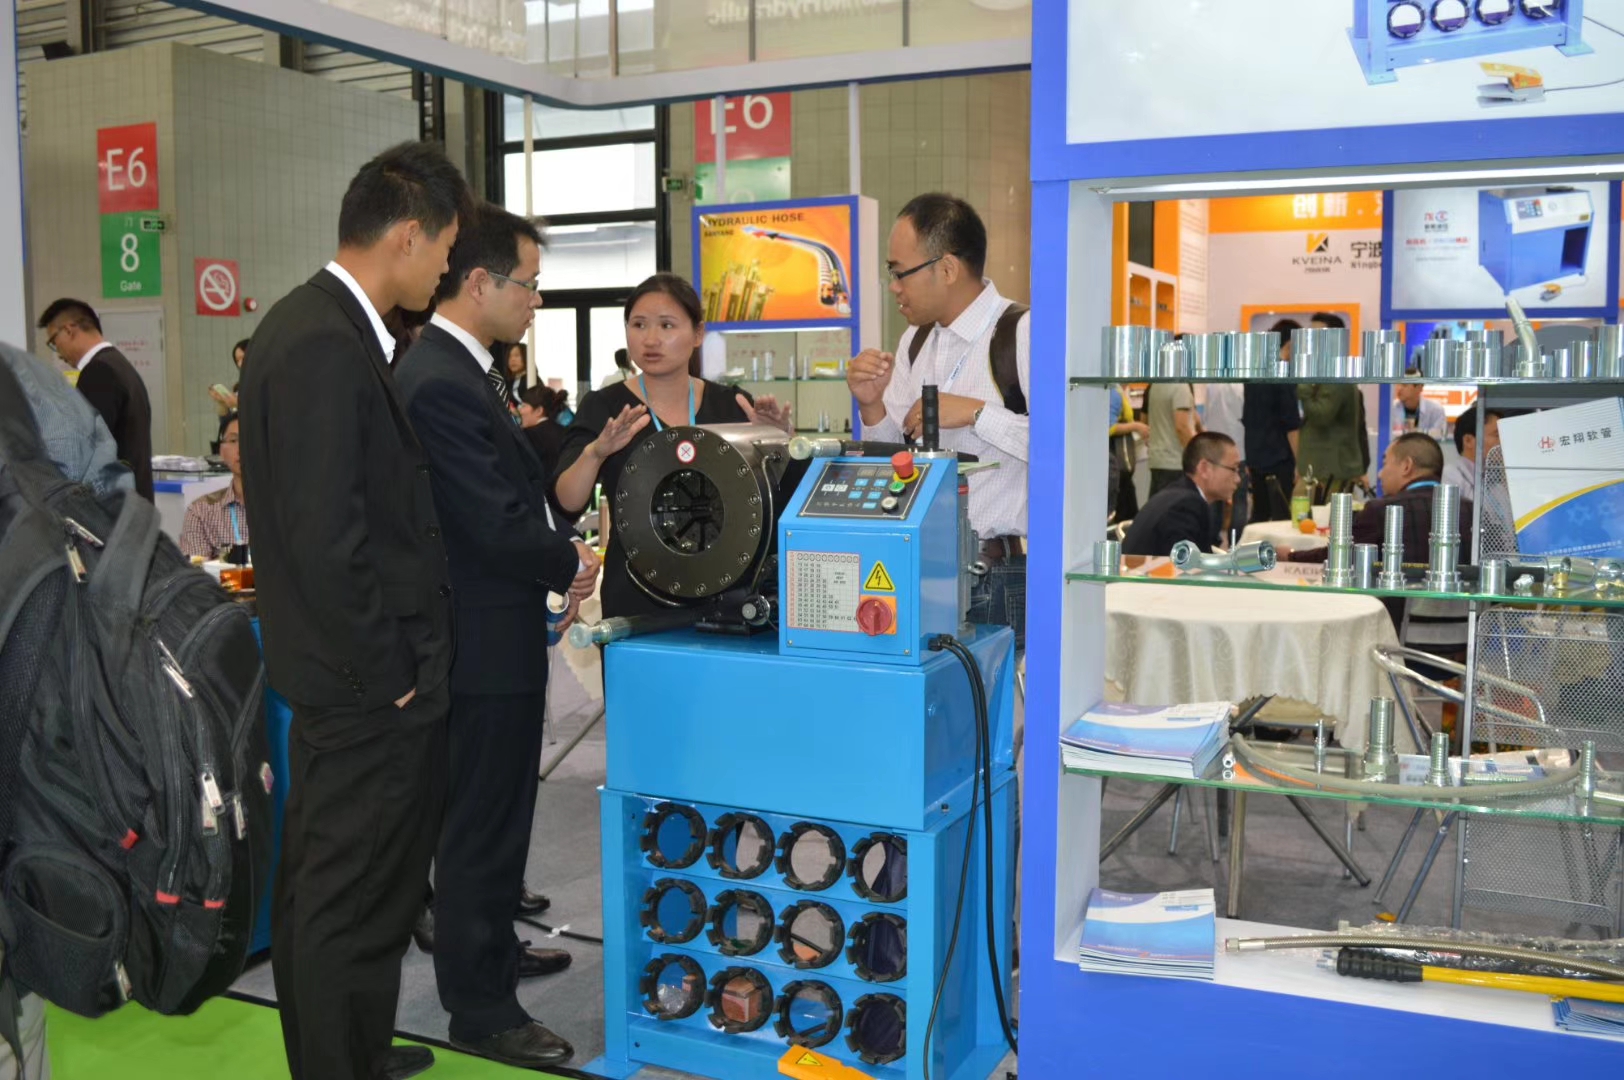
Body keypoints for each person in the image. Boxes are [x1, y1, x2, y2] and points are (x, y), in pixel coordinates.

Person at [237, 140, 473, 1080]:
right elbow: (327, 538)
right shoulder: (322, 343)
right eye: (445, 248)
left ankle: (356, 1052)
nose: (446, 268)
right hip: (363, 685)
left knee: (358, 887)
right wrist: (391, 677)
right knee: (343, 897)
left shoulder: (323, 329)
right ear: (407, 235)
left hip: (353, 677)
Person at [394, 204, 597, 1071]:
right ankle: (481, 1009)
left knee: (501, 821)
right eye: (530, 284)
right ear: (479, 283)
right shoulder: (439, 378)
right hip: (477, 644)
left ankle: (491, 952)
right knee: (479, 830)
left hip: (496, 634)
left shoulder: (463, 370)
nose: (536, 301)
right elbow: (487, 519)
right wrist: (567, 559)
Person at [843, 193, 1031, 646]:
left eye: (899, 272)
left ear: (946, 269)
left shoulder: (1023, 333)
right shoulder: (915, 341)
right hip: (920, 566)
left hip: (994, 575)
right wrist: (871, 405)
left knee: (993, 693)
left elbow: (1064, 447)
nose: (893, 287)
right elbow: (895, 457)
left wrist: (976, 413)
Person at [555, 273, 791, 618]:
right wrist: (596, 453)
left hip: (729, 596)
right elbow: (567, 501)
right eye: (639, 325)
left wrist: (779, 443)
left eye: (667, 325)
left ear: (698, 333)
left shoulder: (732, 405)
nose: (651, 339)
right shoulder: (605, 407)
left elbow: (774, 503)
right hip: (636, 597)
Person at [1290, 432, 1472, 663]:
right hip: (1462, 654)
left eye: (1385, 462)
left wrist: (1290, 556)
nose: (1379, 473)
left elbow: (1337, 559)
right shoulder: (1472, 512)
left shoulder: (1381, 511)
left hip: (1388, 649)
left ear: (1406, 466)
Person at [36, 298, 154, 501]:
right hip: (133, 503)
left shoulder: (98, 372)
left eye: (54, 342)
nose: (58, 353)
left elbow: (83, 450)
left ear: (69, 330)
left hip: (112, 506)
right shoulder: (119, 365)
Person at [1121, 432, 1242, 557]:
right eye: (1234, 469)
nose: (1238, 479)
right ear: (1205, 468)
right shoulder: (1186, 506)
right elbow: (1185, 565)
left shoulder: (1177, 495)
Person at [1296, 313, 1365, 497]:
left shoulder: (1335, 374)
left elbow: (1321, 415)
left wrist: (1303, 386)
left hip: (1330, 470)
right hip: (1320, 469)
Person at [1241, 318, 1303, 521]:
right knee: (1282, 515)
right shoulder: (1283, 374)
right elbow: (1291, 424)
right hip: (1279, 458)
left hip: (1256, 455)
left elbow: (1249, 417)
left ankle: (1250, 543)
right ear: (1291, 344)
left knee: (1259, 513)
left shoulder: (1255, 371)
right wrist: (1300, 463)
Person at [178, 411, 249, 561]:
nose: (242, 448)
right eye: (233, 440)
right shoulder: (201, 511)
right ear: (221, 452)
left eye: (250, 438)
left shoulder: (286, 507)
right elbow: (195, 572)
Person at [1200, 381, 1247, 541]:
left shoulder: (1211, 386)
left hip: (1214, 450)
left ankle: (1211, 540)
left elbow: (1205, 416)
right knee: (1240, 501)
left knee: (1214, 498)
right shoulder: (1241, 387)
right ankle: (1237, 541)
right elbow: (1245, 417)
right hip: (1238, 450)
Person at [1144, 380, 1197, 497]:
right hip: (1175, 462)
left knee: (1159, 506)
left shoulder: (1155, 385)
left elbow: (1146, 420)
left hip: (1157, 460)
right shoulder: (1180, 387)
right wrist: (1196, 455)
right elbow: (1181, 427)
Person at [1108, 384, 1147, 522]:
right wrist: (1136, 426)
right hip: (1117, 462)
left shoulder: (1118, 390)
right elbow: (1108, 427)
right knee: (1125, 510)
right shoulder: (1114, 392)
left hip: (1119, 468)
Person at [1444, 407, 1500, 501]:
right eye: (1497, 435)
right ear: (1468, 440)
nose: (1503, 441)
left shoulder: (1497, 478)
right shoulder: (1451, 474)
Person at [520, 386, 569, 479]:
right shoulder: (566, 432)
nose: (520, 410)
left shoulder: (528, 435)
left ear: (539, 410)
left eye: (523, 406)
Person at [1392, 377, 1448, 442]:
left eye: (1404, 385)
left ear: (1419, 388)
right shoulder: (1391, 409)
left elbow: (1439, 436)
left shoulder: (1436, 410)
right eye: (1397, 384)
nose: (1399, 388)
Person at [209, 338, 250, 414]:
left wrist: (238, 404)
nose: (240, 364)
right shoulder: (240, 387)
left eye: (243, 358)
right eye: (237, 360)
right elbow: (228, 417)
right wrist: (223, 401)